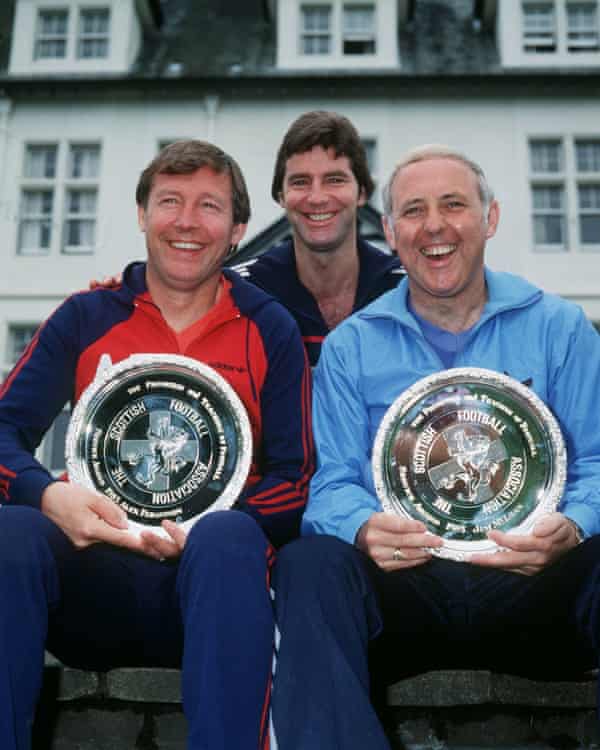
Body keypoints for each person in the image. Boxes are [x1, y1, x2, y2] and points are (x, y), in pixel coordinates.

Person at [269, 145, 600, 748]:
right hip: (407, 592)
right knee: (309, 564)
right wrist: (363, 529)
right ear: (392, 233)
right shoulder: (350, 347)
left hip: (534, 586)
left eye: (454, 205)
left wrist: (573, 528)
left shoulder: (559, 327)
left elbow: (598, 463)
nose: (435, 227)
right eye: (414, 212)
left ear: (490, 218)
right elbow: (331, 484)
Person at [0, 140, 313, 750]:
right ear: (142, 214)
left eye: (209, 206)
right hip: (89, 582)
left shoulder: (270, 327)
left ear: (237, 229)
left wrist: (222, 524)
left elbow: (296, 475)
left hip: (212, 588)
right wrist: (46, 498)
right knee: (9, 532)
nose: (187, 222)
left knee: (229, 540)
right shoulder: (87, 316)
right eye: (170, 201)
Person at [232, 110, 404, 365]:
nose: (317, 198)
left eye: (334, 180)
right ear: (281, 196)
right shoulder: (241, 290)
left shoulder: (405, 289)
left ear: (362, 193)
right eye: (300, 182)